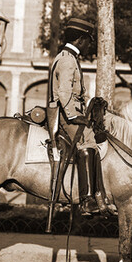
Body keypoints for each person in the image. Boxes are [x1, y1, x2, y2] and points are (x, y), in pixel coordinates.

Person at [47, 17, 106, 214]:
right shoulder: (66, 60)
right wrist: (74, 117)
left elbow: (78, 93)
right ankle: (86, 200)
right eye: (88, 40)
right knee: (87, 142)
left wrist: (93, 103)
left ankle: (99, 194)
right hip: (64, 116)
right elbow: (64, 93)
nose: (89, 45)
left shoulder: (70, 58)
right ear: (81, 40)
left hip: (71, 111)